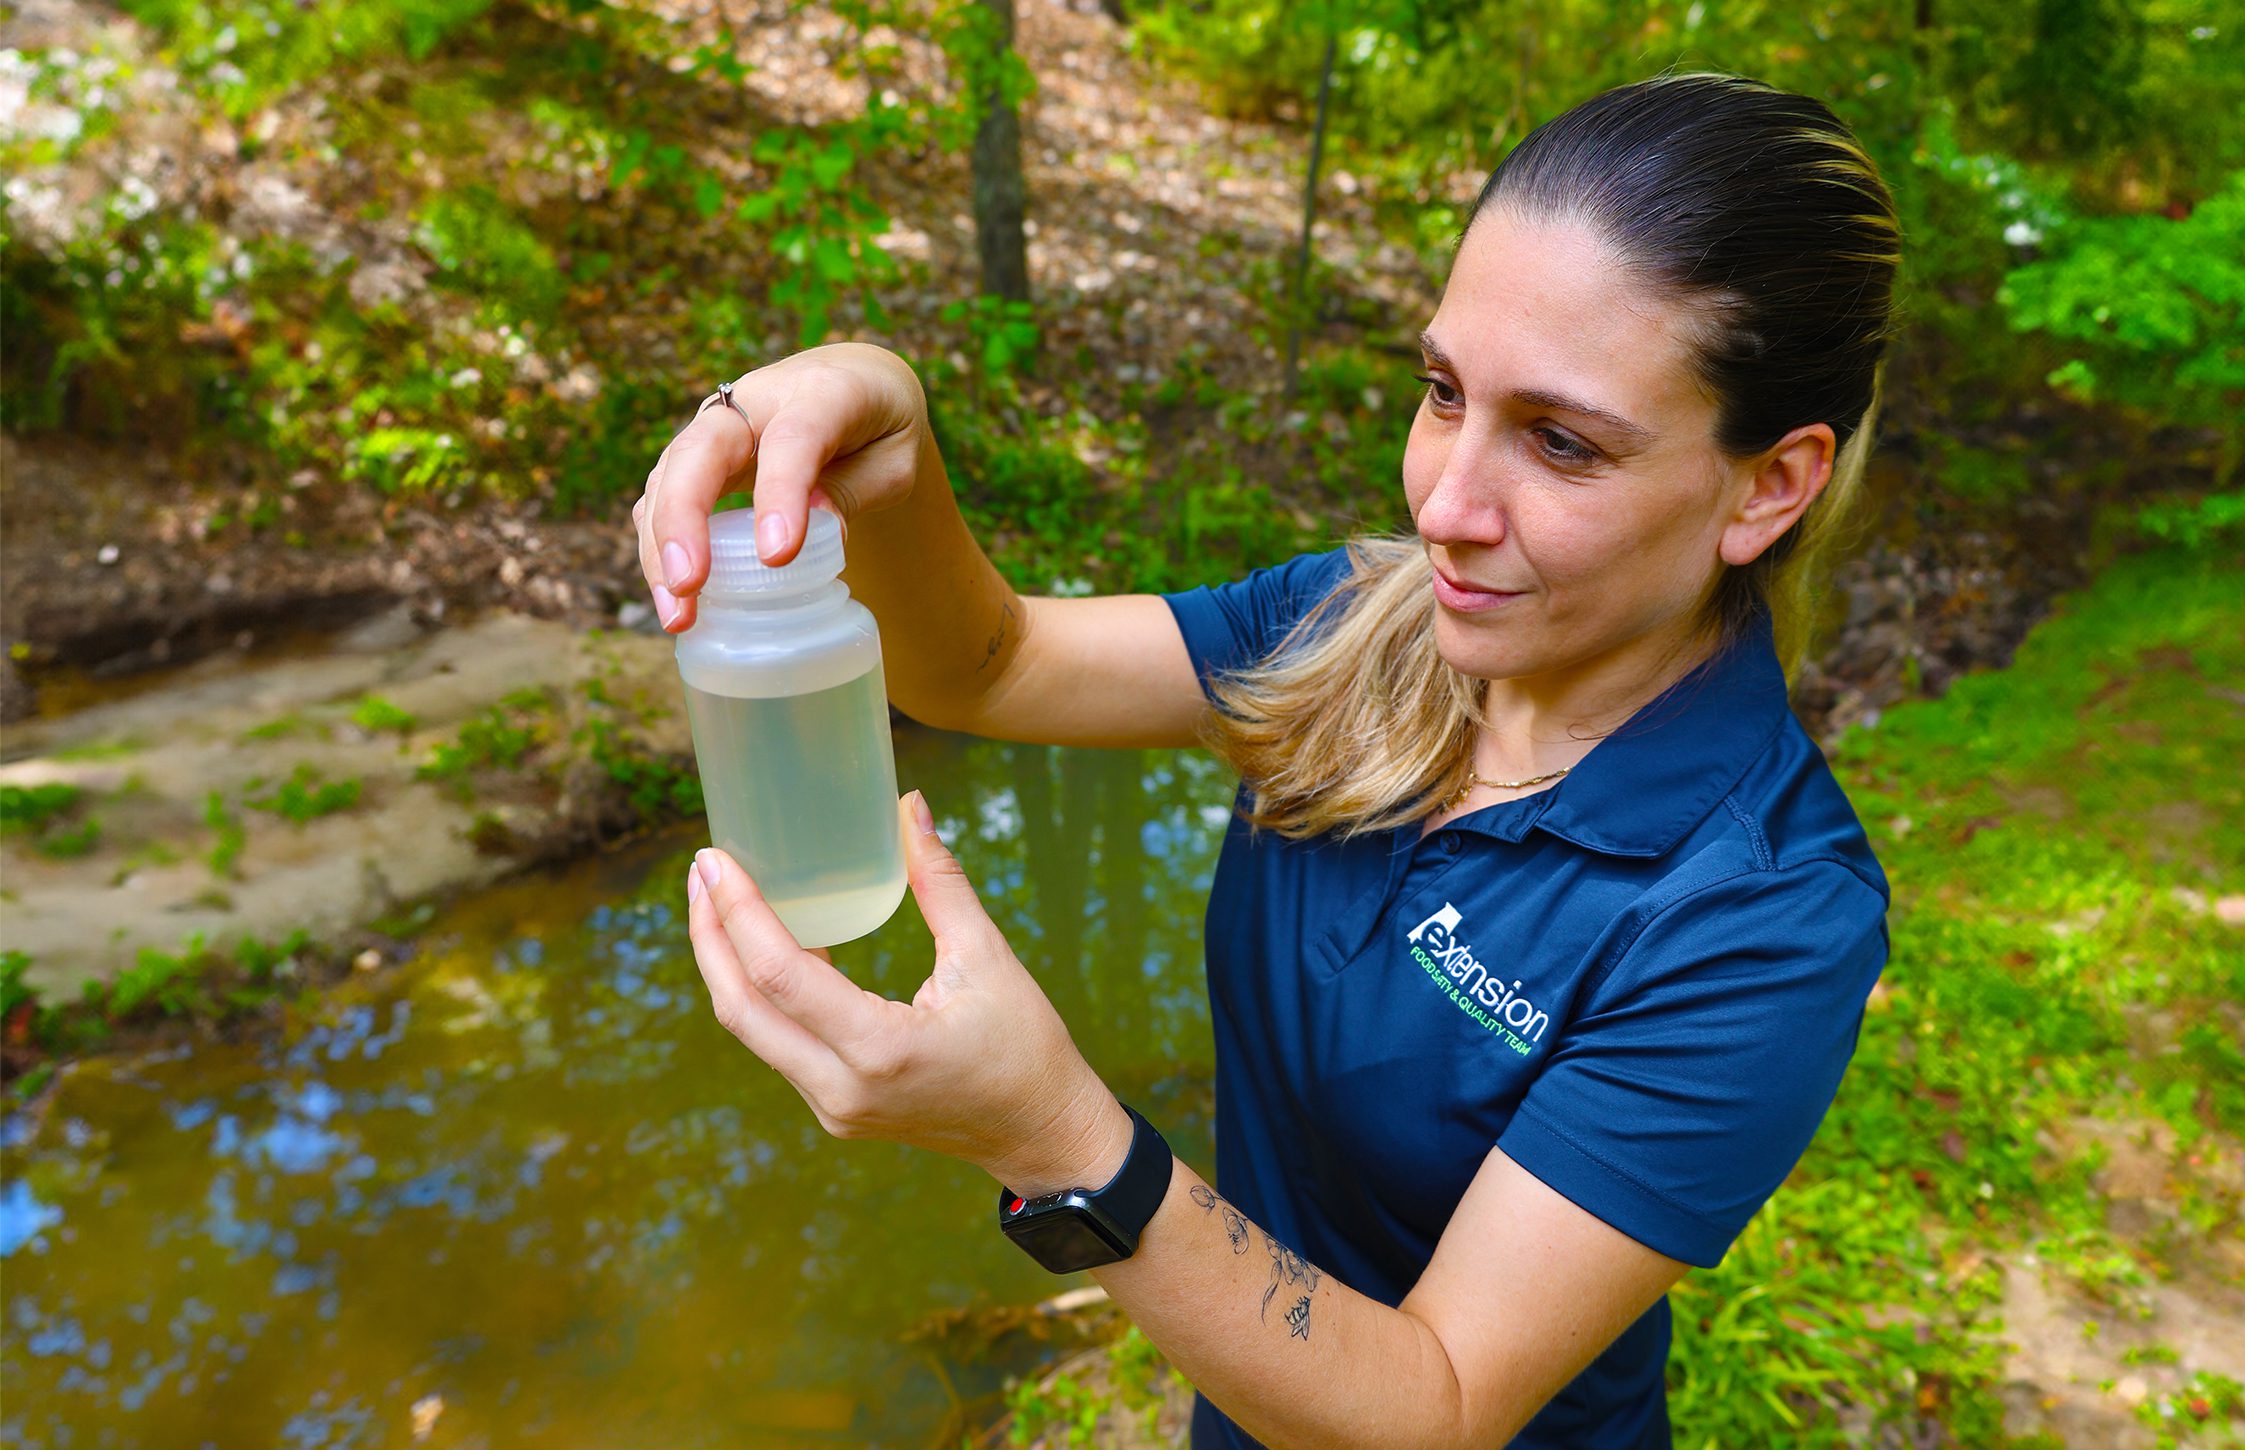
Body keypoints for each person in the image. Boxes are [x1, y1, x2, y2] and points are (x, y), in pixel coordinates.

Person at [630, 70, 1899, 1449]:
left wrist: (1056, 1139)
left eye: (1560, 440)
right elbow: (984, 664)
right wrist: (887, 424)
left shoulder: (1762, 914)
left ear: (1769, 484)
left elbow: (1440, 1403)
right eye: (1441, 390)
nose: (1445, 502)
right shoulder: (1353, 631)